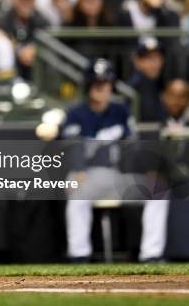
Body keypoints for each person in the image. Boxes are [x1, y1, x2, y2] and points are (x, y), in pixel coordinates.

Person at [61, 58, 168, 263]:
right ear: (89, 85)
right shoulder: (76, 114)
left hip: (117, 177)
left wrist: (147, 170)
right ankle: (79, 254)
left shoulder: (121, 112)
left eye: (105, 83)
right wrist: (77, 169)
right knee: (75, 186)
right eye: (96, 83)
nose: (101, 87)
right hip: (88, 177)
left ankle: (151, 254)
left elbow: (133, 148)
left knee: (159, 189)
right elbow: (70, 148)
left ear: (112, 85)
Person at [128, 36, 167, 122]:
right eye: (149, 58)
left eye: (158, 57)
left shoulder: (157, 82)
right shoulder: (138, 84)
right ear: (137, 61)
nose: (155, 63)